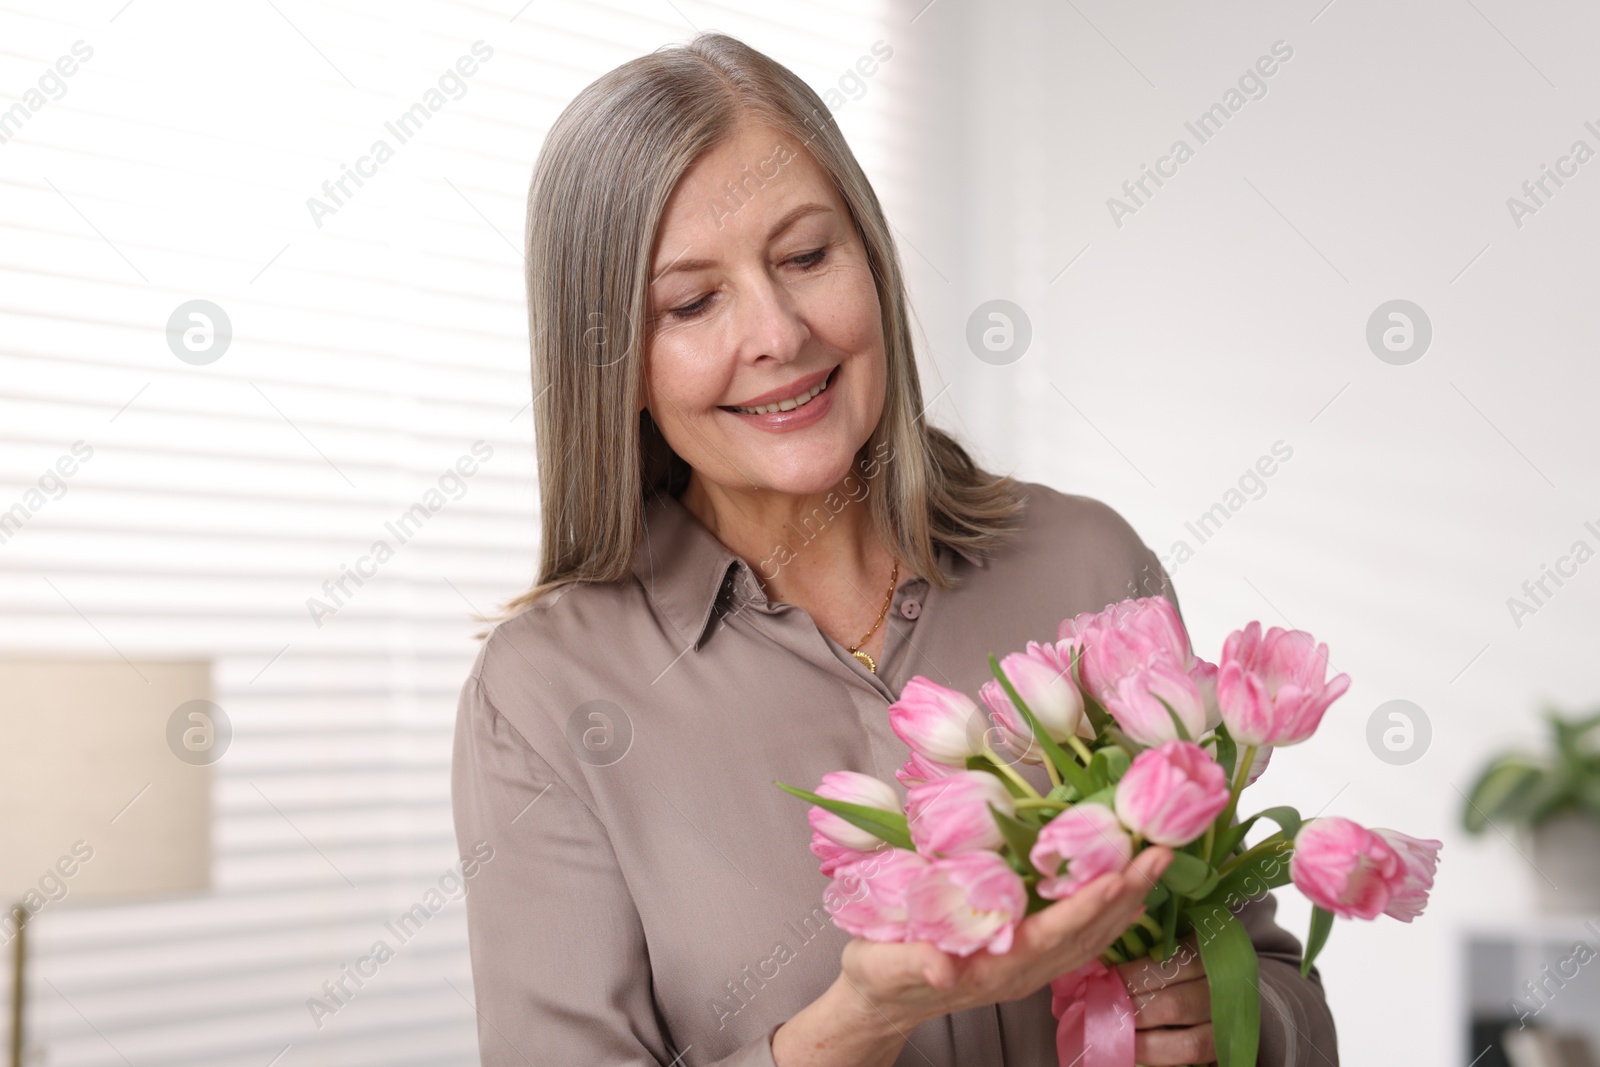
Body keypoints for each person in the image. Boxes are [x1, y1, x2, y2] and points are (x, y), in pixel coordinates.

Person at [450, 30, 1338, 1067]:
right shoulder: (548, 693)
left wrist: (1228, 1023)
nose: (778, 331)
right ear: (612, 359)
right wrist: (851, 1026)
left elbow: (1272, 979)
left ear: (871, 259)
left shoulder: (1089, 567)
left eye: (805, 256)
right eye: (693, 301)